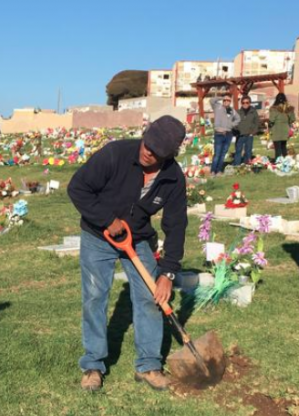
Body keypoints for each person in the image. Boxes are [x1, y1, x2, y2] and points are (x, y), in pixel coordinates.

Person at [67, 116, 188, 392]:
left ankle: (148, 365)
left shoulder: (173, 178)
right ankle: (93, 365)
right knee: (95, 297)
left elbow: (176, 225)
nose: (148, 152)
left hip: (139, 239)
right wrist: (107, 220)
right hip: (99, 235)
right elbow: (77, 188)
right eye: (148, 144)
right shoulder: (115, 154)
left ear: (170, 155)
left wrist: (168, 273)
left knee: (150, 297)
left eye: (157, 151)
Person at [210, 94, 239, 175]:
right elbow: (211, 100)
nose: (226, 102)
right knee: (217, 154)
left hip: (228, 134)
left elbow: (238, 118)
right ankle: (213, 171)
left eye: (228, 100)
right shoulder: (217, 107)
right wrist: (222, 97)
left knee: (223, 154)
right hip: (219, 134)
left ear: (230, 102)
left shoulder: (231, 110)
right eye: (225, 100)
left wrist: (231, 125)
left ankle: (219, 171)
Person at [269, 93, 295, 159]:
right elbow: (293, 119)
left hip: (276, 130)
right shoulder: (289, 109)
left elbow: (271, 120)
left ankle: (278, 163)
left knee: (277, 149)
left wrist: (269, 126)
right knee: (283, 147)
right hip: (285, 130)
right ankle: (286, 162)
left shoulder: (274, 109)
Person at [234, 96, 259, 165]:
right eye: (243, 103)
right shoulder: (238, 112)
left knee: (248, 151)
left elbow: (257, 122)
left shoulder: (253, 112)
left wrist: (253, 132)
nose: (245, 104)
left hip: (249, 135)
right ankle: (237, 165)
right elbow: (233, 123)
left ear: (250, 103)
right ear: (241, 103)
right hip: (240, 135)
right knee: (238, 151)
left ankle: (247, 164)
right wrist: (236, 131)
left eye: (247, 102)